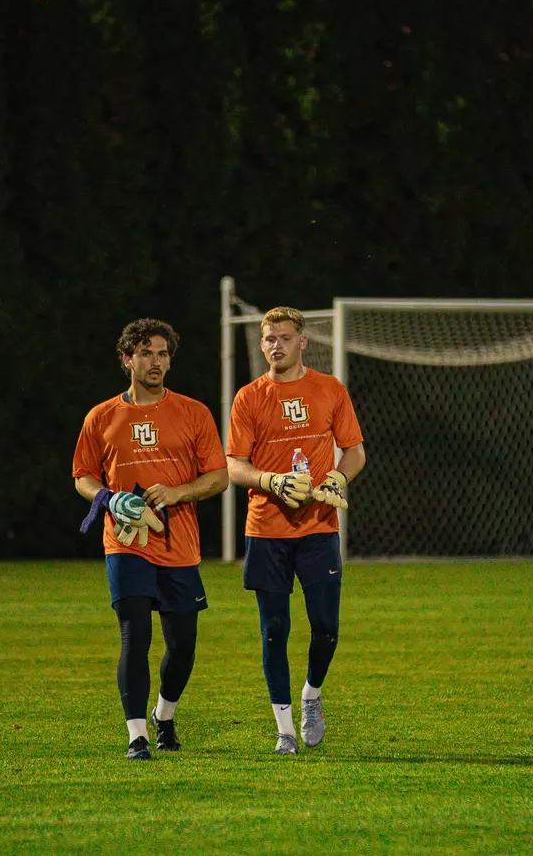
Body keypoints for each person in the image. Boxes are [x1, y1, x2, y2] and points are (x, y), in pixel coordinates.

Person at [73, 318, 228, 761]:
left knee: (182, 646)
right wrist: (108, 498)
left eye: (162, 353)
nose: (155, 361)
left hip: (179, 545)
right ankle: (136, 735)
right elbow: (82, 475)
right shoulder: (101, 416)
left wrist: (179, 492)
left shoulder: (194, 412)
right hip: (125, 544)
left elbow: (218, 476)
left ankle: (164, 714)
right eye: (145, 353)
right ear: (127, 360)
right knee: (134, 636)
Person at [226, 306, 365, 755]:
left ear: (302, 341)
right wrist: (272, 481)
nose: (276, 346)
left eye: (285, 337)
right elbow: (234, 465)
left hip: (318, 527)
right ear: (262, 342)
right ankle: (284, 729)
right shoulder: (248, 397)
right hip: (266, 529)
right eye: (269, 338)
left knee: (326, 626)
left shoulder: (329, 389)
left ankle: (311, 694)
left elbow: (355, 452)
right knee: (274, 629)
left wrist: (336, 478)